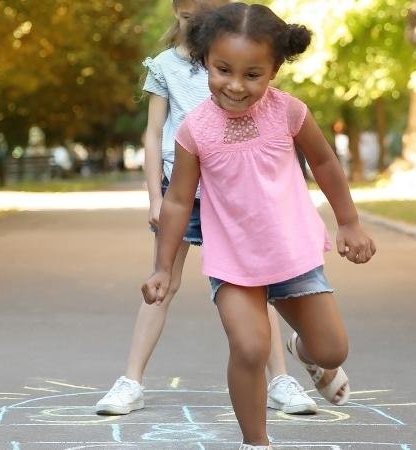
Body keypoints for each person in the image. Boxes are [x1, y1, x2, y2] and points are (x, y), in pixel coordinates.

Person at [141, 4, 376, 448]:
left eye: (252, 74)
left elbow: (324, 162)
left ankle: (305, 354)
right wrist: (161, 267)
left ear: (274, 70)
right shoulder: (194, 131)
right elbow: (176, 202)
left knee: (332, 350)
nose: (234, 85)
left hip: (291, 253)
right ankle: (256, 442)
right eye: (222, 69)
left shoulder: (289, 112)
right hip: (233, 261)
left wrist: (349, 222)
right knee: (249, 348)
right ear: (204, 59)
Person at [95, 0, 318, 419]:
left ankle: (281, 380)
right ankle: (131, 381)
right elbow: (153, 133)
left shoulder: (234, 56)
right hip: (181, 188)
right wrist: (155, 198)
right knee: (161, 281)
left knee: (257, 284)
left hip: (235, 190)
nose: (192, 22)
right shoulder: (165, 65)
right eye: (185, 16)